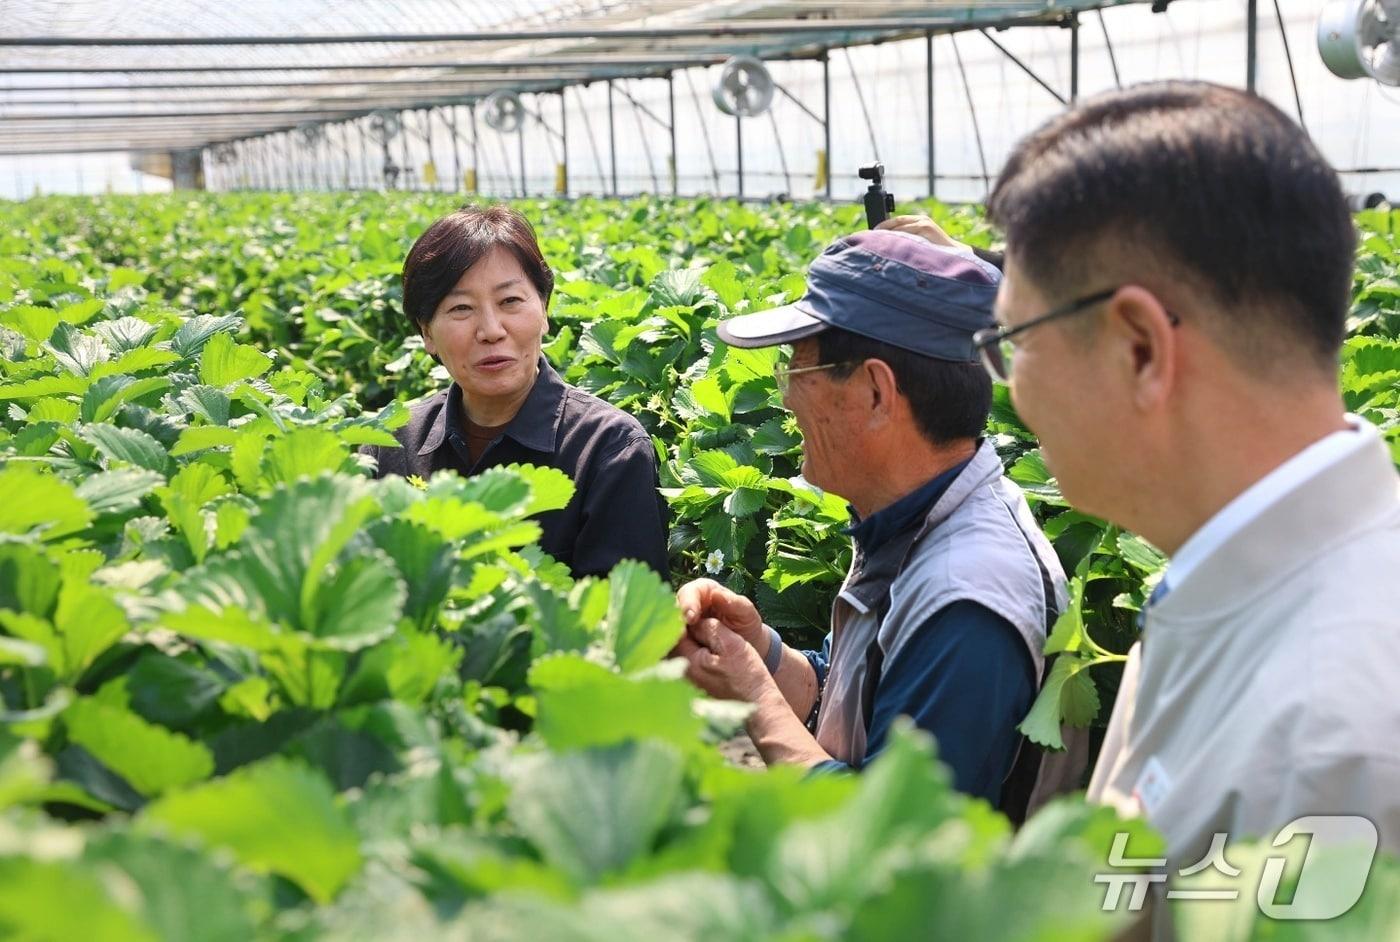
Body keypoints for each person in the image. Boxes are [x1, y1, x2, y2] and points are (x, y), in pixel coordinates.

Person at [970, 80, 1400, 869]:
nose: (1010, 384)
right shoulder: (1230, 581)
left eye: (1015, 340)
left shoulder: (1331, 749)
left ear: (1139, 347)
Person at [674, 228, 1068, 813]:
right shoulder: (918, 519)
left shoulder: (967, 600)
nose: (786, 400)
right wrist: (758, 649)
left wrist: (754, 696)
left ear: (877, 392)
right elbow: (856, 698)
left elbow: (898, 838)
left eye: (797, 373)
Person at [361, 204, 669, 579]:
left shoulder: (609, 449)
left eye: (510, 301)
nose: (490, 329)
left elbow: (626, 627)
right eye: (461, 308)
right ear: (427, 332)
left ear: (544, 311)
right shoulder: (390, 443)